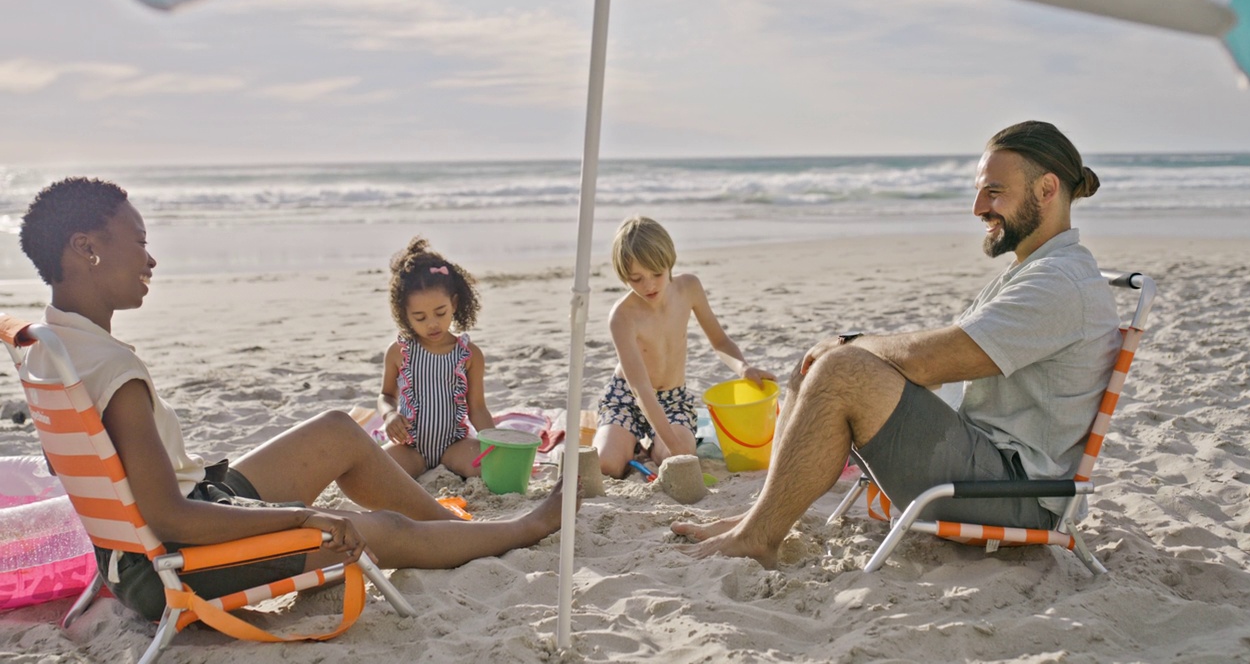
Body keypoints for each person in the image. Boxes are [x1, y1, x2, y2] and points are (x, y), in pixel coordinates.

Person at [16, 178, 568, 621]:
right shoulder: (113, 371)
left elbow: (154, 500)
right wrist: (304, 515)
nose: (151, 259)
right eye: (138, 241)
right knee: (380, 530)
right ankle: (523, 529)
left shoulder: (48, 346)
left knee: (336, 430)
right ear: (85, 247)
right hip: (174, 564)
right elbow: (168, 516)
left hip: (137, 546)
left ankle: (456, 538)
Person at [673, 121, 1121, 568]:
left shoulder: (1058, 283)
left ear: (1046, 189)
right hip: (987, 468)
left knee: (841, 368)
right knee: (820, 363)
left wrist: (852, 348)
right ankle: (758, 519)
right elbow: (940, 358)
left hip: (1015, 497)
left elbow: (931, 362)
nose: (977, 207)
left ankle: (758, 537)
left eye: (994, 192)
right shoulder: (1039, 270)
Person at [595, 215, 775, 479]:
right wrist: (671, 438)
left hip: (673, 398)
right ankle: (631, 443)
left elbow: (720, 341)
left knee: (676, 458)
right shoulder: (622, 316)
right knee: (606, 465)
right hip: (629, 398)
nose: (649, 285)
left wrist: (743, 367)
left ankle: (651, 448)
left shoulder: (689, 288)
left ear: (670, 263)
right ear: (624, 276)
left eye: (657, 274)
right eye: (636, 279)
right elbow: (640, 389)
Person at [377, 237, 494, 479]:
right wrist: (389, 415)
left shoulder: (469, 354)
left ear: (453, 303)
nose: (432, 323)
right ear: (404, 315)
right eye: (419, 317)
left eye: (440, 313)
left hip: (454, 446)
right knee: (375, 471)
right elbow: (386, 395)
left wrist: (496, 443)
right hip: (410, 447)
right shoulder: (399, 351)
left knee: (491, 467)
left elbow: (478, 408)